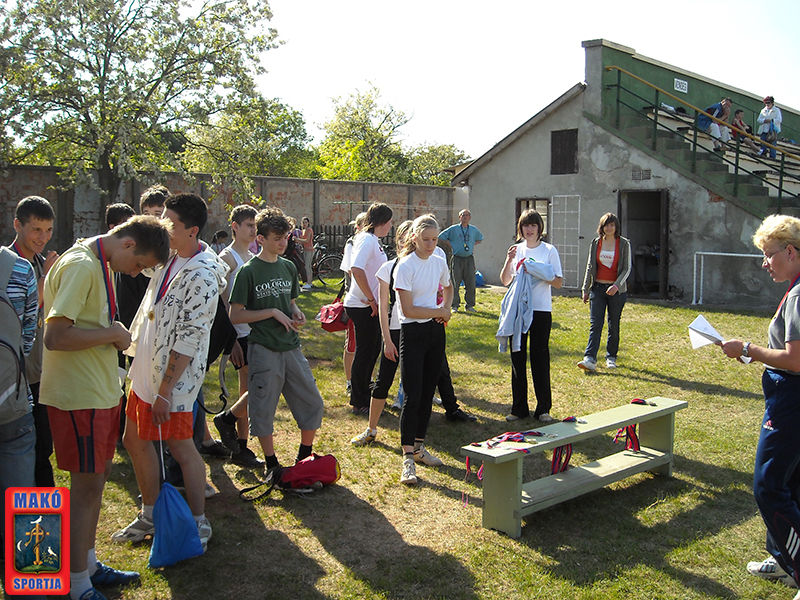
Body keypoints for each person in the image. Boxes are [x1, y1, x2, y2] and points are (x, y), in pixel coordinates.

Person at [41, 215, 170, 600]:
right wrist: (112, 333)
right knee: (85, 488)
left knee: (96, 482)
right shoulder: (83, 265)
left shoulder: (99, 261)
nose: (134, 273)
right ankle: (77, 584)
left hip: (96, 392)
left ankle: (89, 566)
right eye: (138, 264)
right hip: (78, 395)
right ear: (128, 244)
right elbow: (55, 336)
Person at [114, 194, 226, 556]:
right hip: (145, 373)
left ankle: (198, 522)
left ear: (192, 231)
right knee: (134, 440)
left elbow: (190, 338)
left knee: (181, 448)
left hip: (172, 385)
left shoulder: (203, 274)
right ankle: (150, 514)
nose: (162, 227)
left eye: (170, 223)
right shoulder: (169, 257)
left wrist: (165, 391)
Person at [718, 214, 800, 598]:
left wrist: (749, 349)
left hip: (791, 401)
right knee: (791, 482)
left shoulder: (797, 295)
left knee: (768, 485)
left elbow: (795, 359)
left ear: (791, 251)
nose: (765, 263)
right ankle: (784, 559)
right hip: (789, 398)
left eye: (769, 255)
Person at [228, 205, 325, 474]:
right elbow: (235, 315)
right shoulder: (248, 271)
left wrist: (295, 312)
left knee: (313, 401)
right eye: (277, 239)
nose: (283, 244)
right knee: (263, 407)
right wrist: (271, 312)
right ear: (260, 239)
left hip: (291, 346)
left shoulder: (288, 267)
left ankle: (304, 456)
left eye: (285, 238)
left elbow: (290, 303)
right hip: (263, 347)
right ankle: (272, 465)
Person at [394, 215, 452, 485]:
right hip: (413, 333)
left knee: (428, 392)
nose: (430, 245)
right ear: (414, 238)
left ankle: (419, 447)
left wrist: (445, 308)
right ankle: (407, 458)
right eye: (426, 239)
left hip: (435, 332)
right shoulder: (405, 266)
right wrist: (438, 311)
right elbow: (408, 310)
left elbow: (448, 286)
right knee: (412, 395)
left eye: (434, 239)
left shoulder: (439, 261)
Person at [8, 196, 58, 487]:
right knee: (19, 455)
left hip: (41, 375)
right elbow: (19, 316)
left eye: (48, 230)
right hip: (13, 378)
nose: (43, 237)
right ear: (17, 225)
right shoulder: (8, 266)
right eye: (36, 229)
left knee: (42, 452)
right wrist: (46, 280)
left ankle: (42, 515)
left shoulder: (43, 262)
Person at [350, 220, 413, 446]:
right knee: (383, 378)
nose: (408, 242)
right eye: (403, 238)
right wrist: (387, 339)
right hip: (395, 329)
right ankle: (371, 427)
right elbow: (385, 307)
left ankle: (415, 439)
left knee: (416, 382)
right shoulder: (389, 267)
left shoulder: (429, 264)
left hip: (419, 329)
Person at [213, 204, 265, 469]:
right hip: (240, 335)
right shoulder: (227, 258)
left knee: (249, 389)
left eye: (256, 226)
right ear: (235, 226)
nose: (254, 230)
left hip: (256, 332)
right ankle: (228, 423)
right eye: (249, 225)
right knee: (258, 387)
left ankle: (241, 447)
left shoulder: (253, 255)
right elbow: (221, 306)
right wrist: (231, 341)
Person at [499, 209, 563, 423]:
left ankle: (543, 409)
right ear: (520, 228)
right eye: (526, 225)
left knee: (539, 358)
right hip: (518, 311)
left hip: (541, 310)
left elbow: (558, 282)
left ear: (539, 228)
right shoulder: (516, 249)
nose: (529, 229)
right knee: (517, 357)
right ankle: (519, 409)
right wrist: (509, 260)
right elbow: (505, 280)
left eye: (533, 225)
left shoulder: (549, 250)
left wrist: (537, 270)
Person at [0, 247, 37, 564]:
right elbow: (26, 342)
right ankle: (31, 578)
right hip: (12, 401)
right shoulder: (21, 270)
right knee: (25, 502)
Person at [343, 202, 393, 415]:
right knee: (365, 352)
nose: (391, 226)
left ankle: (365, 391)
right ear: (382, 221)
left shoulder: (373, 240)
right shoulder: (366, 239)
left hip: (369, 305)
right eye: (389, 221)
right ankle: (359, 400)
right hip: (362, 305)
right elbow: (356, 269)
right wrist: (371, 298)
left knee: (372, 350)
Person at [577, 213, 632, 372]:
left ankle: (611, 357)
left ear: (616, 227)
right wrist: (585, 289)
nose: (609, 228)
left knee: (613, 324)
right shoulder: (596, 243)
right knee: (596, 324)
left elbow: (627, 268)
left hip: (617, 292)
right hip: (598, 289)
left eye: (612, 225)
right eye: (606, 225)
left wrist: (616, 286)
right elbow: (590, 266)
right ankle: (590, 358)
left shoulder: (624, 244)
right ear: (602, 227)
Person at [340, 212, 367, 395]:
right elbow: (352, 272)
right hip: (356, 300)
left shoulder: (373, 242)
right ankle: (350, 381)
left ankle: (368, 379)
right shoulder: (352, 243)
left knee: (368, 345)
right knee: (352, 344)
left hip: (369, 301)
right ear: (358, 227)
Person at [438, 209, 484, 313]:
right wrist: (451, 244)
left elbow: (480, 238)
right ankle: (454, 305)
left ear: (470, 217)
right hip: (457, 258)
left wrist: (472, 245)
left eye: (467, 215)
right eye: (463, 215)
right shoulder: (454, 229)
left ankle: (470, 305)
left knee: (470, 282)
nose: (465, 217)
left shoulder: (473, 229)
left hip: (469, 259)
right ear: (459, 217)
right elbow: (441, 236)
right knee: (455, 282)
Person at [296, 216, 314, 291]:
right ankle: (309, 282)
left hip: (310, 250)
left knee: (307, 266)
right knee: (306, 266)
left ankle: (309, 283)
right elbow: (301, 240)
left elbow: (307, 240)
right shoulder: (303, 231)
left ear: (308, 223)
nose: (304, 224)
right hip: (305, 250)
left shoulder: (309, 230)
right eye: (303, 222)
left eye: (306, 222)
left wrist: (298, 240)